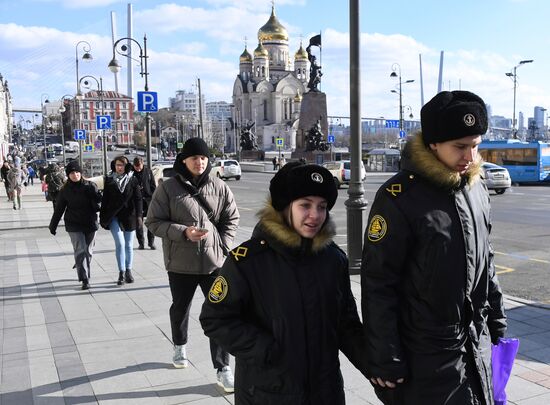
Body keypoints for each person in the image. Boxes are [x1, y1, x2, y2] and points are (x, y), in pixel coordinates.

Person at [361, 90, 507, 405]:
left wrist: (498, 325)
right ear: (433, 144)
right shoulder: (398, 198)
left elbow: (487, 262)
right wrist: (386, 356)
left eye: (475, 146)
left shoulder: (476, 187)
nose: (469, 157)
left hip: (474, 346)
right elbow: (378, 284)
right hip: (425, 358)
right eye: (460, 147)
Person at [200, 161, 368, 403]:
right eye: (305, 205)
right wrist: (267, 350)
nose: (315, 215)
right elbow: (215, 319)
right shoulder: (247, 262)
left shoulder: (333, 260)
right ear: (284, 207)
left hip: (325, 392)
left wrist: (378, 368)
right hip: (269, 392)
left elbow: (346, 324)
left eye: (322, 207)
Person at [146, 137, 239, 393]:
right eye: (194, 158)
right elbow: (153, 222)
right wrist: (183, 232)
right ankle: (179, 345)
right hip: (180, 264)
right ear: (184, 160)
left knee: (220, 312)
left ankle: (223, 368)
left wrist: (223, 245)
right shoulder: (167, 188)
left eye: (203, 157)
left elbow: (232, 217)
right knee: (181, 308)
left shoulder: (219, 186)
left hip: (213, 264)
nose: (199, 162)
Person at [49, 161, 101, 290]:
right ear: (68, 175)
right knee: (80, 250)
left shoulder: (90, 186)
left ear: (81, 173)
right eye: (72, 173)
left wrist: (96, 196)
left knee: (88, 251)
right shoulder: (65, 190)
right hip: (74, 224)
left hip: (90, 223)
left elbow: (100, 203)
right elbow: (59, 209)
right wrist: (53, 225)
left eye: (77, 172)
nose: (75, 175)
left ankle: (80, 264)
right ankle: (84, 278)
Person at [100, 156, 142, 286]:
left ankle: (129, 270)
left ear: (126, 166)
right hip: (114, 216)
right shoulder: (109, 180)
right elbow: (105, 200)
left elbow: (138, 199)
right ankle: (121, 272)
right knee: (120, 243)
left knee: (129, 245)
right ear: (114, 165)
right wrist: (102, 217)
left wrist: (139, 216)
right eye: (117, 165)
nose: (119, 167)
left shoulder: (132, 180)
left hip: (130, 216)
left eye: (122, 165)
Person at [132, 156, 156, 250]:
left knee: (151, 221)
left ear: (142, 164)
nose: (138, 169)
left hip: (148, 200)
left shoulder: (148, 172)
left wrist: (153, 196)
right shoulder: (131, 173)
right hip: (137, 201)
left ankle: (151, 242)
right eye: (136, 167)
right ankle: (141, 243)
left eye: (139, 166)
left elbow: (153, 185)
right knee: (139, 223)